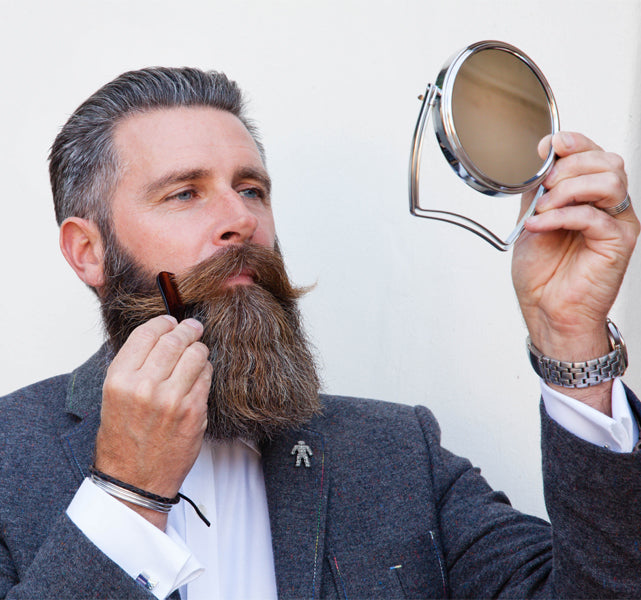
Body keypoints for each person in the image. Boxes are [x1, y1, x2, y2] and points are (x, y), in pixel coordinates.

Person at [0, 67, 639, 600]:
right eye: (184, 194)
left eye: (251, 189)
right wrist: (124, 497)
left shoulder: (397, 454)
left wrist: (571, 336)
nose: (239, 221)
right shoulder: (9, 456)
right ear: (87, 250)